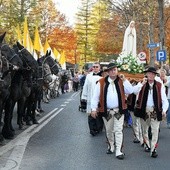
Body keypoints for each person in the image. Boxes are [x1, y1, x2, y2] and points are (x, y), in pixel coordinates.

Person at [91, 62, 133, 160]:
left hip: (119, 111)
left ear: (117, 71)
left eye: (114, 70)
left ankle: (119, 150)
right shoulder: (101, 82)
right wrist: (93, 109)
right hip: (107, 111)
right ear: (108, 72)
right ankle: (111, 146)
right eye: (111, 70)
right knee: (109, 130)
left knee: (118, 130)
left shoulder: (121, 81)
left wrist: (125, 80)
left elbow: (130, 91)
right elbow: (95, 97)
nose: (113, 72)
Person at [133, 67, 169, 158]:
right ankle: (147, 145)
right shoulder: (142, 84)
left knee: (155, 130)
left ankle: (153, 149)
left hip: (155, 111)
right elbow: (134, 92)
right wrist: (141, 84)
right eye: (149, 73)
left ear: (155, 75)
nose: (151, 75)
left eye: (153, 74)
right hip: (144, 110)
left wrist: (164, 110)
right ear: (146, 74)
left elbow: (164, 100)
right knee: (144, 130)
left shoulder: (159, 85)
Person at [81, 62, 104, 136]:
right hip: (91, 97)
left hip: (100, 98)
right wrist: (84, 98)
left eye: (97, 67)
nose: (95, 68)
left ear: (99, 68)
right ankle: (92, 129)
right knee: (91, 115)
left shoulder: (103, 76)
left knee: (99, 114)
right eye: (94, 67)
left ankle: (99, 128)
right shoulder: (89, 76)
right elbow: (85, 87)